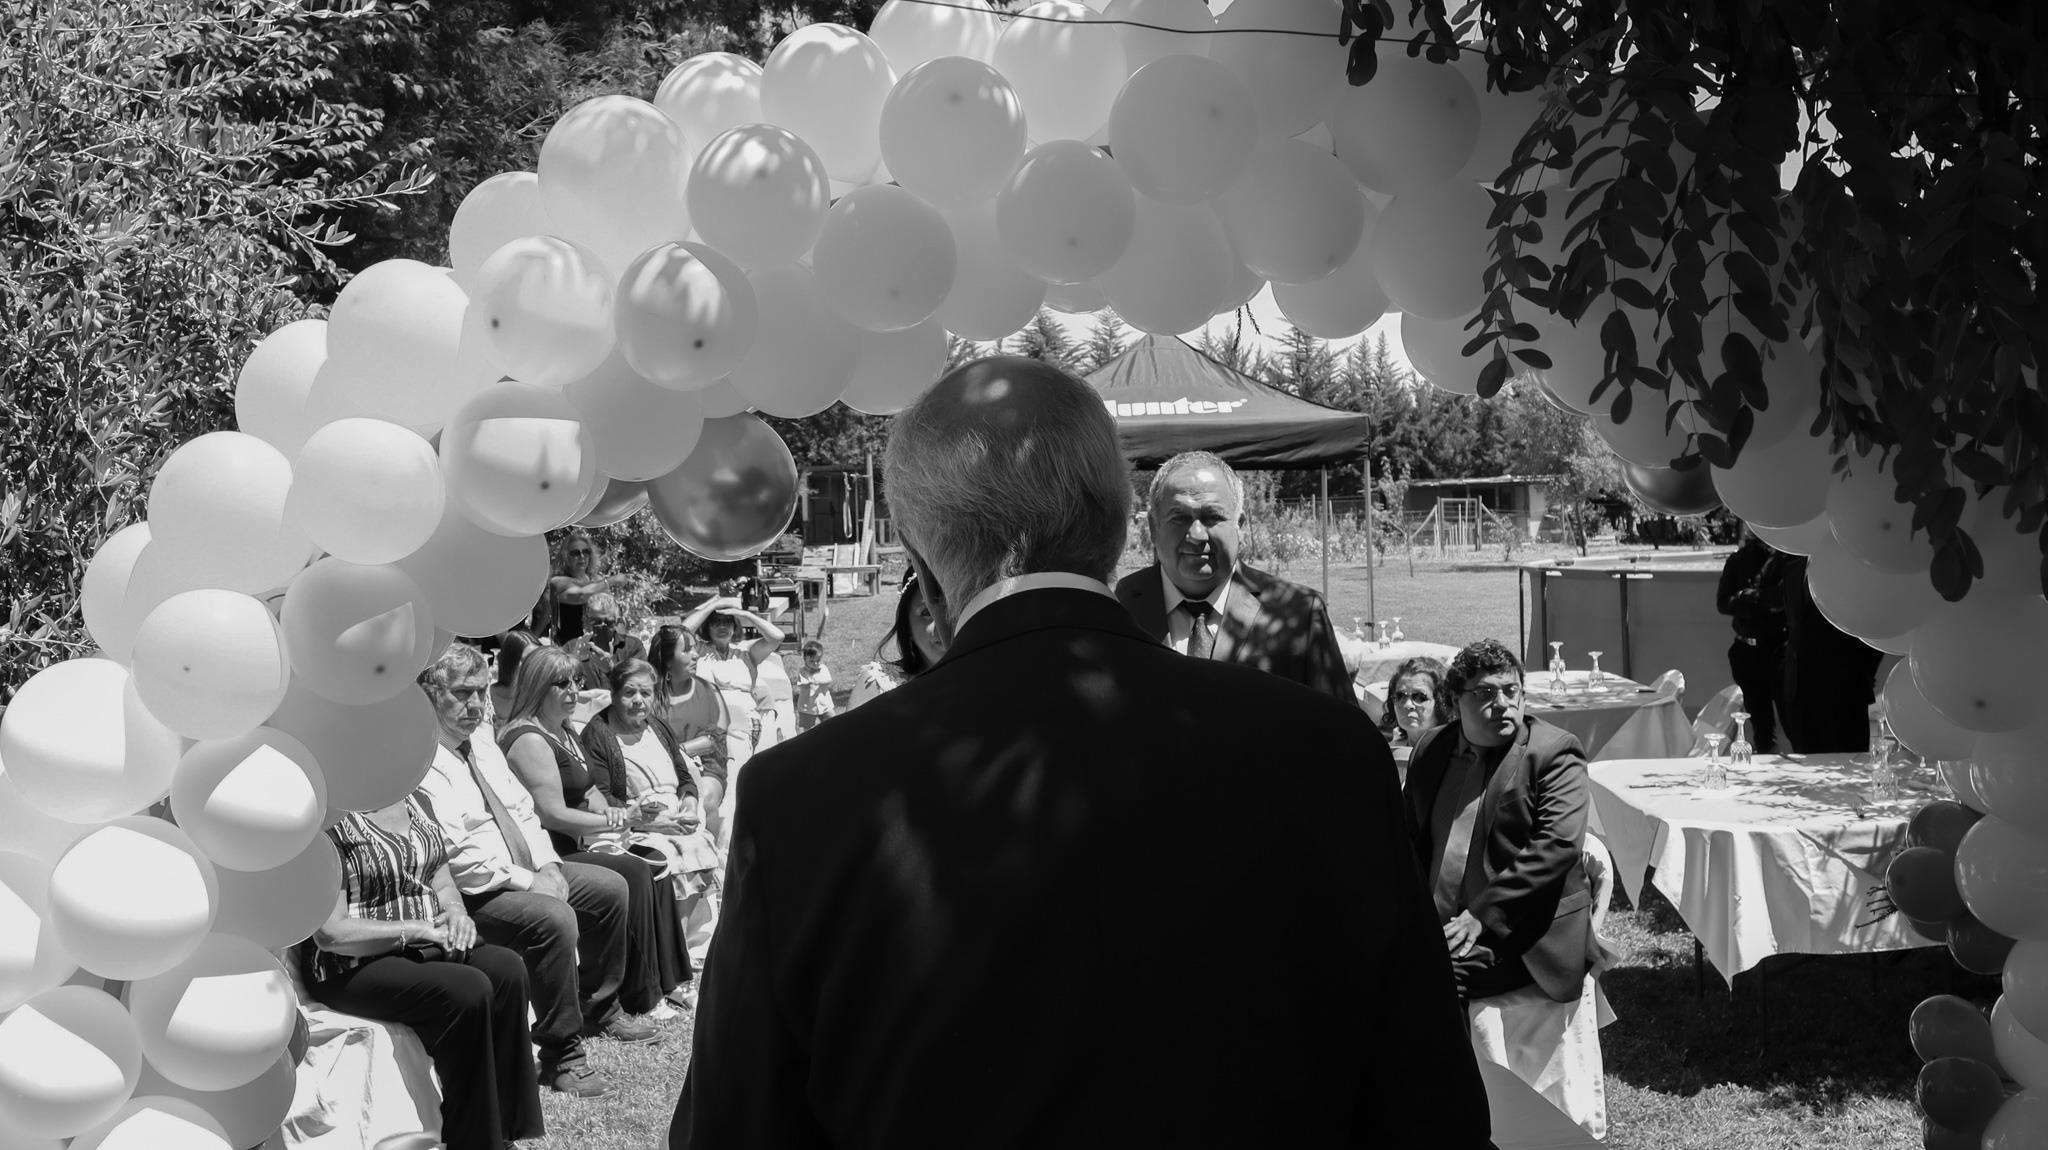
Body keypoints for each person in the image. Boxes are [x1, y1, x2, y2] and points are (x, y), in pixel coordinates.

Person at [670, 357, 1485, 1149]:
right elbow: (1429, 1104)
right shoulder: (1327, 751)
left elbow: (738, 1127)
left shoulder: (799, 797)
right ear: (1123, 525)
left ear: (920, 565)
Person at [413, 644, 655, 1101]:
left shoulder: (483, 744)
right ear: (430, 694)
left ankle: (599, 1007)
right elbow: (457, 858)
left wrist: (549, 866)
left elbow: (524, 812)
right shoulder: (420, 760)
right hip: (475, 894)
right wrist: (532, 882)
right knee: (553, 917)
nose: (476, 704)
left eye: (481, 692)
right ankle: (563, 1055)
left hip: (526, 867)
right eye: (462, 693)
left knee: (610, 888)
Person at [307, 795, 543, 1150]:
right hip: (350, 964)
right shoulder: (330, 820)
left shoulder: (415, 800)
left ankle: (504, 1128)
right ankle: (472, 1140)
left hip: (425, 944)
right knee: (467, 989)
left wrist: (456, 912)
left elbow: (442, 882)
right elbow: (332, 934)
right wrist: (416, 929)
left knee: (507, 969)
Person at [1403, 638, 1599, 1005]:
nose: (1503, 703)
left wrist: (1481, 915)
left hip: (1520, 930)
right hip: (1436, 922)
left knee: (1426, 980)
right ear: (1454, 700)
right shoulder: (1431, 749)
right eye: (1485, 693)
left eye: (1511, 691)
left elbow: (1556, 846)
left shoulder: (1553, 753)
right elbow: (1407, 839)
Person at [498, 646, 689, 1019]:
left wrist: (621, 814)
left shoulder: (564, 729)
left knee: (654, 860)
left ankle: (668, 981)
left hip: (579, 839)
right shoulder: (529, 739)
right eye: (562, 683)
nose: (574, 691)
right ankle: (639, 995)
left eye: (576, 681)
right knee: (633, 871)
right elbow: (553, 815)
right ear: (538, 686)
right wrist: (621, 821)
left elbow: (589, 792)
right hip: (549, 852)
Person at [1114, 450, 1355, 705]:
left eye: (1212, 517)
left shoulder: (1299, 614)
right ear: (1153, 527)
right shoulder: (1118, 607)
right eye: (1180, 518)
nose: (1197, 535)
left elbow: (1341, 724)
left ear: (1239, 525)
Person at [581, 657, 724, 998]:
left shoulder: (657, 727)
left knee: (702, 846)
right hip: (631, 825)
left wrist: (689, 804)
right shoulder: (598, 734)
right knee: (674, 856)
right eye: (629, 693)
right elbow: (602, 795)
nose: (638, 701)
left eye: (645, 693)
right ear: (614, 694)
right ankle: (670, 962)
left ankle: (681, 952)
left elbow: (685, 776)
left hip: (676, 819)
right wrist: (652, 821)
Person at [1778, 553, 1887, 752]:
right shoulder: (1792, 568)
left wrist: (1862, 675)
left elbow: (1874, 626)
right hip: (1799, 693)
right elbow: (1793, 626)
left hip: (1844, 693)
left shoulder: (1852, 568)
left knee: (1847, 762)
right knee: (1804, 762)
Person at [679, 589, 785, 779]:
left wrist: (745, 614)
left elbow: (777, 637)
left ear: (735, 627)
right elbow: (680, 633)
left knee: (739, 773)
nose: (722, 627)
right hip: (710, 725)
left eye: (727, 622)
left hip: (743, 723)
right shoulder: (699, 651)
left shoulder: (746, 652)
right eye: (716, 622)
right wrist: (712, 607)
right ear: (707, 627)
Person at [649, 626, 731, 837]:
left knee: (705, 799)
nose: (696, 655)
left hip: (705, 768)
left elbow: (715, 738)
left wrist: (678, 752)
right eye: (687, 650)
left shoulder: (709, 690)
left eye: (695, 648)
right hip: (658, 770)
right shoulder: (649, 695)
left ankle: (712, 849)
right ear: (668, 660)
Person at [1715, 526, 1787, 753]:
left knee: (1792, 719)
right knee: (1760, 723)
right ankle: (1767, 761)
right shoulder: (1739, 560)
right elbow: (1723, 603)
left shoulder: (1785, 559)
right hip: (1747, 650)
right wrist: (1759, 603)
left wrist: (1749, 597)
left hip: (1779, 650)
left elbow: (1782, 600)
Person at [845, 573, 942, 709]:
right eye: (926, 613)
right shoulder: (877, 686)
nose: (943, 626)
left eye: (954, 611)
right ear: (907, 625)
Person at [538, 530, 620, 644]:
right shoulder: (558, 582)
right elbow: (580, 595)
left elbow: (611, 611)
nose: (582, 556)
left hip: (597, 643)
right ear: (565, 557)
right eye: (575, 553)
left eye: (586, 552)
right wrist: (612, 580)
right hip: (567, 645)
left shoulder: (598, 580)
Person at [1381, 655, 1453, 768]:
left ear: (1441, 702)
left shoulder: (1454, 756)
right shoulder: (1385, 754)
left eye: (1420, 697)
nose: (1407, 705)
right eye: (1400, 696)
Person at [488, 630, 536, 726]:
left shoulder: (540, 697)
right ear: (510, 661)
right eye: (526, 660)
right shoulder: (487, 696)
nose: (534, 665)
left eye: (537, 659)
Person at [791, 640, 835, 731]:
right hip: (807, 706)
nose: (815, 663)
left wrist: (818, 681)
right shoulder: (802, 670)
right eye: (811, 661)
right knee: (808, 729)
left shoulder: (823, 668)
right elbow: (801, 683)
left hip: (824, 704)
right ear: (805, 659)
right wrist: (808, 683)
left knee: (832, 723)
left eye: (818, 660)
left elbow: (828, 679)